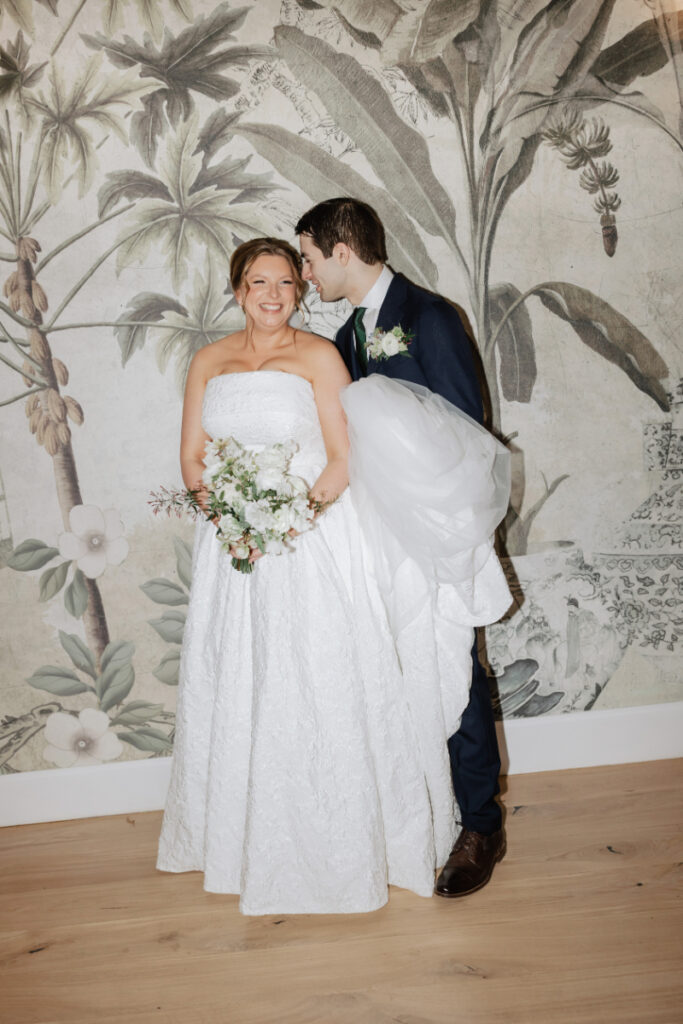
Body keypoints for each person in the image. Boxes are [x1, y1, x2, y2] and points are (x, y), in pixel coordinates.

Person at [156, 237, 501, 914]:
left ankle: (341, 836)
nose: (273, 294)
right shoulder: (208, 361)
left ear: (299, 290)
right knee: (246, 680)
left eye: (285, 282)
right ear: (236, 290)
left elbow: (344, 457)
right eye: (258, 282)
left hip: (309, 540)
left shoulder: (320, 355)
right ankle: (247, 836)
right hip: (233, 549)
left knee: (319, 678)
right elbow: (192, 457)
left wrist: (287, 517)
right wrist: (228, 515)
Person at [295, 198, 507, 898]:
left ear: (343, 251)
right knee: (402, 670)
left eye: (308, 256)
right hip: (378, 536)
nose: (304, 273)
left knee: (456, 669)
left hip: (438, 531)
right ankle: (427, 812)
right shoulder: (348, 336)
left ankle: (481, 826)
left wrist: (448, 537)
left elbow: (465, 433)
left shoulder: (429, 316)